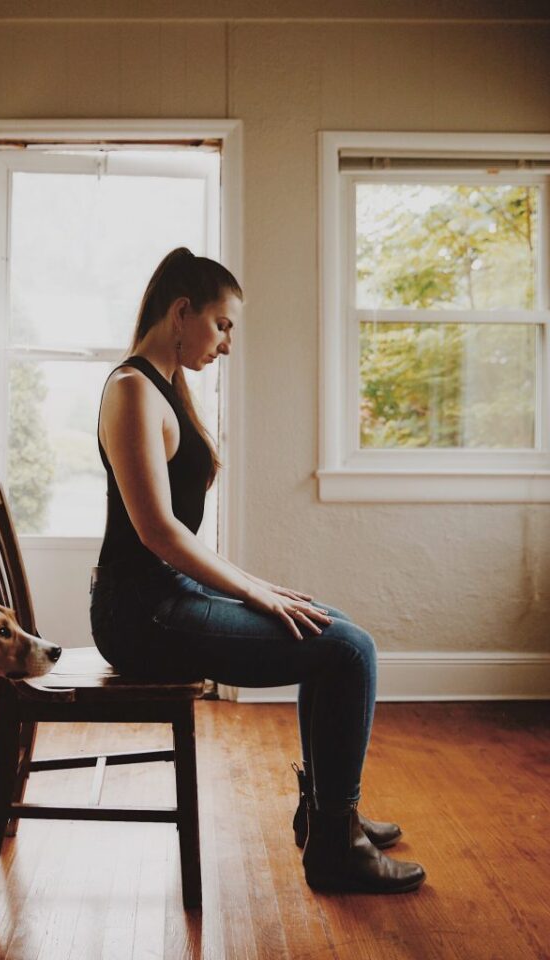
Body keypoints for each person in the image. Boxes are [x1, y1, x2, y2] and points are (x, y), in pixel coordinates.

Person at [89, 247, 425, 894]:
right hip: (139, 617)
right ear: (182, 312)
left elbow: (175, 538)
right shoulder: (133, 390)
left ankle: (329, 813)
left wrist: (263, 588)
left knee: (332, 626)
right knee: (348, 651)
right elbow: (158, 532)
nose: (228, 343)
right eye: (223, 324)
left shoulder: (163, 388)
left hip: (162, 598)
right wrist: (253, 591)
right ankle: (335, 842)